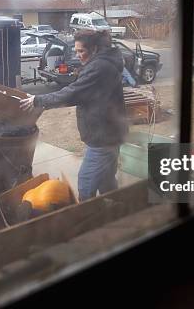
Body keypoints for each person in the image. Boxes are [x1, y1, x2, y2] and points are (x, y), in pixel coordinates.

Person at [20, 29, 128, 201]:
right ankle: (118, 209)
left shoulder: (99, 67)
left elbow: (72, 93)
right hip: (111, 132)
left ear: (94, 49)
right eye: (76, 51)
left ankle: (90, 219)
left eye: (81, 51)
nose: (77, 55)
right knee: (106, 180)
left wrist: (38, 100)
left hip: (104, 137)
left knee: (86, 183)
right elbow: (83, 93)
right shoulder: (103, 62)